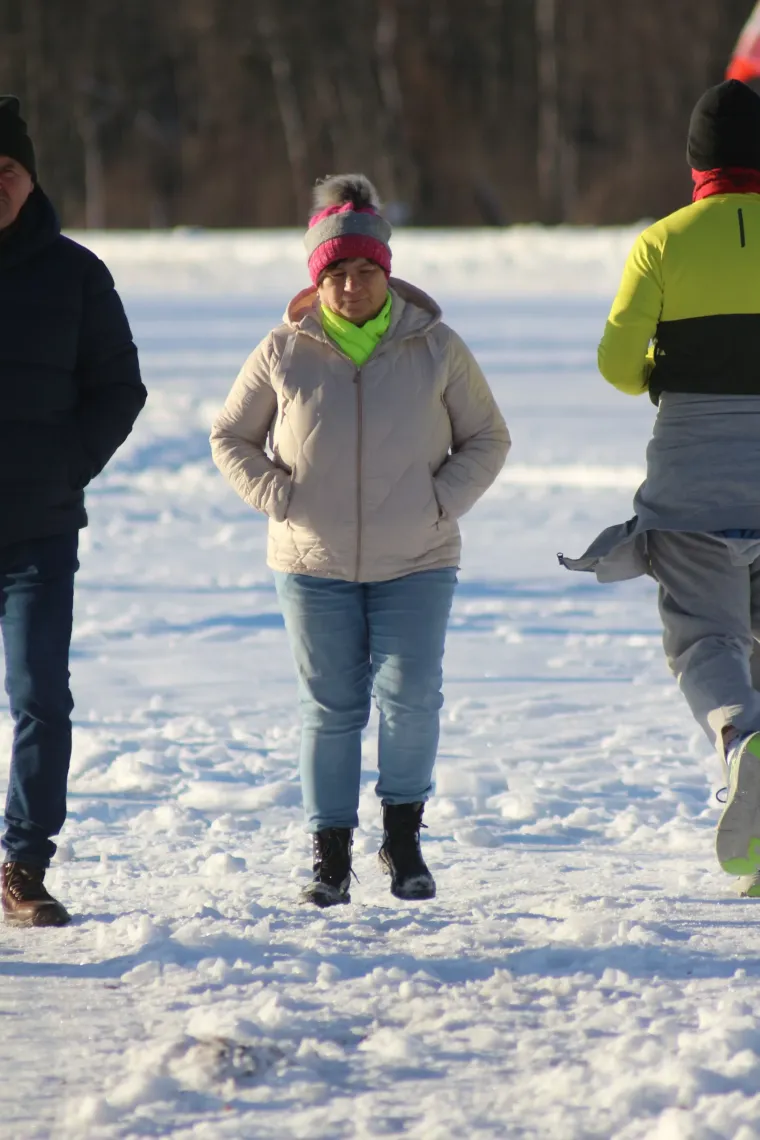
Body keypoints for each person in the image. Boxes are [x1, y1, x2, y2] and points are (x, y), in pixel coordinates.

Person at [211, 173, 509, 907]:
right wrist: (279, 496)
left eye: (364, 271)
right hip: (311, 562)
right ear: (318, 279)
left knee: (412, 698)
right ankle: (330, 853)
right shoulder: (284, 349)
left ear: (387, 271)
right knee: (332, 708)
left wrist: (440, 502)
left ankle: (403, 839)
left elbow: (488, 437)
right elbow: (230, 436)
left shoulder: (434, 345)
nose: (351, 286)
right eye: (336, 273)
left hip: (417, 559)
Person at [560, 79, 760, 898]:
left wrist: (658, 372)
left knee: (705, 641)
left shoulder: (663, 242)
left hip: (692, 485)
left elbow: (615, 365)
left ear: (695, 162)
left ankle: (741, 738)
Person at [0, 97, 146, 926]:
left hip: (38, 529)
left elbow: (120, 388)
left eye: (8, 171)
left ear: (30, 177)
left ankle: (23, 864)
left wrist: (63, 470)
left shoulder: (76, 273)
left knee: (39, 697)